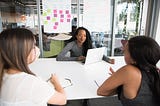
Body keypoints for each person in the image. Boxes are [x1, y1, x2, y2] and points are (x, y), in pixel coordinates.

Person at [0, 28, 66, 106]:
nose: (36, 49)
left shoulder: (4, 73)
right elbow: (62, 99)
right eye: (33, 46)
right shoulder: (30, 83)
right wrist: (56, 82)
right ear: (22, 51)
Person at [97, 36, 160, 106]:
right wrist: (122, 79)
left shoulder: (129, 71)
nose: (123, 50)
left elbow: (101, 91)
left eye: (125, 51)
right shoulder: (155, 71)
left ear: (134, 59)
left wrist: (120, 80)